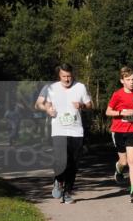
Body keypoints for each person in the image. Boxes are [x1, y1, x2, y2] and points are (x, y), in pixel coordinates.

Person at [35, 64, 92, 204]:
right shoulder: (50, 88)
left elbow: (90, 104)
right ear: (58, 76)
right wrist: (47, 110)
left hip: (76, 130)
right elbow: (38, 104)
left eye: (69, 76)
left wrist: (82, 106)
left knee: (73, 163)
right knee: (61, 160)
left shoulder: (80, 87)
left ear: (73, 74)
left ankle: (67, 193)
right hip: (58, 129)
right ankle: (58, 180)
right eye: (64, 76)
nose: (67, 79)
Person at [106, 66, 133, 205]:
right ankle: (118, 169)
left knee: (132, 160)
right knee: (124, 162)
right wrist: (122, 113)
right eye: (128, 79)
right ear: (122, 81)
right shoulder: (117, 94)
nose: (132, 82)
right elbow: (108, 111)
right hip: (118, 130)